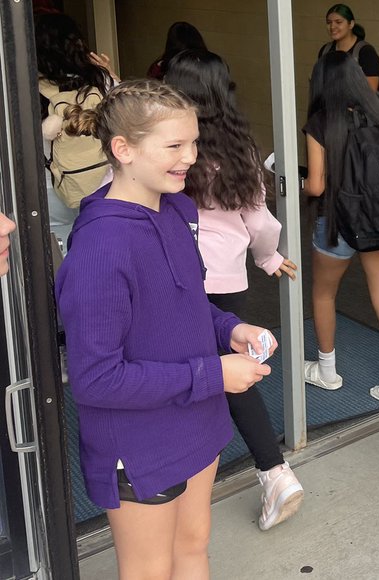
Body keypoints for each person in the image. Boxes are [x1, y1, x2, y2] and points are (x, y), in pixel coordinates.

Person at [54, 79, 275, 579]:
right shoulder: (101, 248)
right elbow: (96, 380)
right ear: (122, 149)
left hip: (197, 418)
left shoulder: (175, 207)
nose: (190, 157)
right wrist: (213, 376)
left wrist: (230, 329)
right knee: (149, 570)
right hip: (138, 439)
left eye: (194, 142)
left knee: (194, 547)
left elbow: (186, 303)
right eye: (174, 146)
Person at [164, 50, 305, 531]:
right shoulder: (239, 146)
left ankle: (178, 480)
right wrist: (267, 256)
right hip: (227, 280)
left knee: (181, 374)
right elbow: (259, 221)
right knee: (232, 373)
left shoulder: (168, 145)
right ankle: (275, 470)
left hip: (172, 277)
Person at [302, 50, 379, 409]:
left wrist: (298, 185)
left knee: (323, 294)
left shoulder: (321, 121)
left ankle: (327, 371)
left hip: (336, 221)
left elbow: (317, 186)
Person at [35, 12, 117, 252]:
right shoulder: (100, 80)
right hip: (103, 179)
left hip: (54, 186)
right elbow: (128, 114)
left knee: (58, 249)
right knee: (100, 247)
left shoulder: (26, 87)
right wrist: (111, 74)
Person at [316, 4, 379, 92]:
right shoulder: (325, 50)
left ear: (351, 24)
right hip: (330, 105)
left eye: (338, 22)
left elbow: (370, 92)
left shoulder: (365, 52)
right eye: (329, 22)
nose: (332, 26)